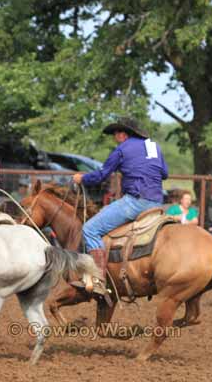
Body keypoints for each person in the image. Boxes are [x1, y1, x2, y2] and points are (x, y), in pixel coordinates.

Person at [72, 117, 168, 297]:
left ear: (123, 134)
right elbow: (164, 173)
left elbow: (102, 174)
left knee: (90, 229)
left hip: (135, 202)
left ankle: (98, 279)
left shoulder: (122, 149)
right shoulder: (154, 147)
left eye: (115, 134)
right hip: (157, 203)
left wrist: (82, 179)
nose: (115, 138)